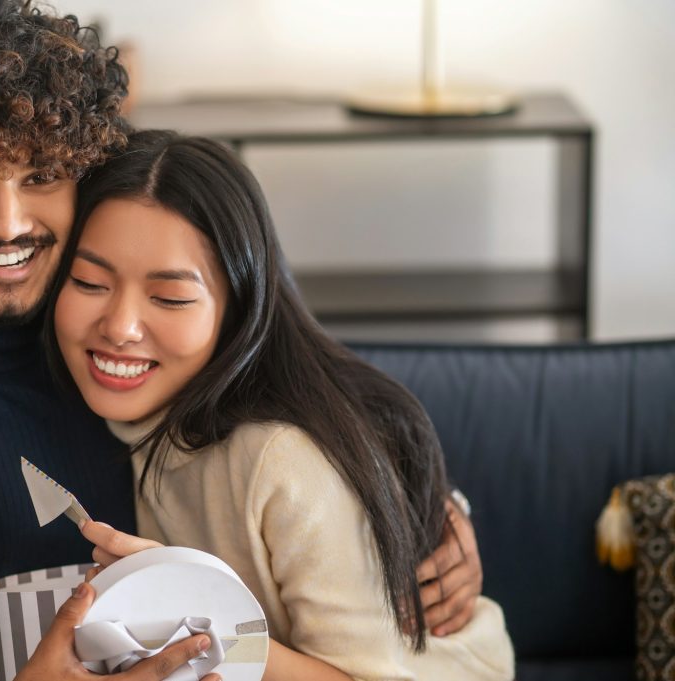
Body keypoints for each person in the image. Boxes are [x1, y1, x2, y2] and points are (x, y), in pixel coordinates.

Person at [0, 2, 482, 679]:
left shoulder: (114, 358)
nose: (8, 224)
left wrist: (424, 513)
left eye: (40, 177)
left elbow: (294, 392)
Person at [46, 130, 515, 680]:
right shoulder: (127, 413)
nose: (120, 328)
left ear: (238, 309)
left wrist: (194, 611)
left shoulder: (283, 460)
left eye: (169, 297)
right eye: (89, 281)